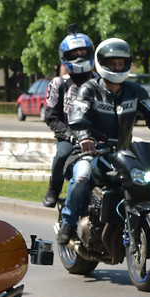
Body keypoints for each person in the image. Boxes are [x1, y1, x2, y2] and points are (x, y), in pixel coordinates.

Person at [56, 38, 150, 245]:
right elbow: (78, 113)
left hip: (123, 153)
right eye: (113, 63)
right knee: (83, 177)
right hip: (91, 152)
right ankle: (67, 223)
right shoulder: (89, 89)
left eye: (121, 63)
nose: (117, 67)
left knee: (145, 182)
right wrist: (85, 138)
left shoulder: (135, 91)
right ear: (102, 63)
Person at [43, 26, 95, 207]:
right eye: (74, 54)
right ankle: (54, 188)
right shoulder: (59, 83)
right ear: (65, 57)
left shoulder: (100, 83)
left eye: (83, 52)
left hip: (97, 136)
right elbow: (51, 117)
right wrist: (70, 135)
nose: (79, 56)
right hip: (68, 136)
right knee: (61, 155)